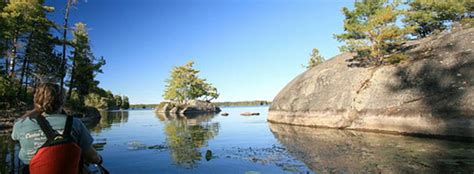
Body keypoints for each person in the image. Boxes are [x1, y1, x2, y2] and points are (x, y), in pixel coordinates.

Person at [11, 83, 102, 174]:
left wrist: (37, 108)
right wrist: (99, 160)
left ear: (36, 100)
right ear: (62, 101)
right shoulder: (75, 123)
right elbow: (93, 157)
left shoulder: (21, 125)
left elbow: (17, 127)